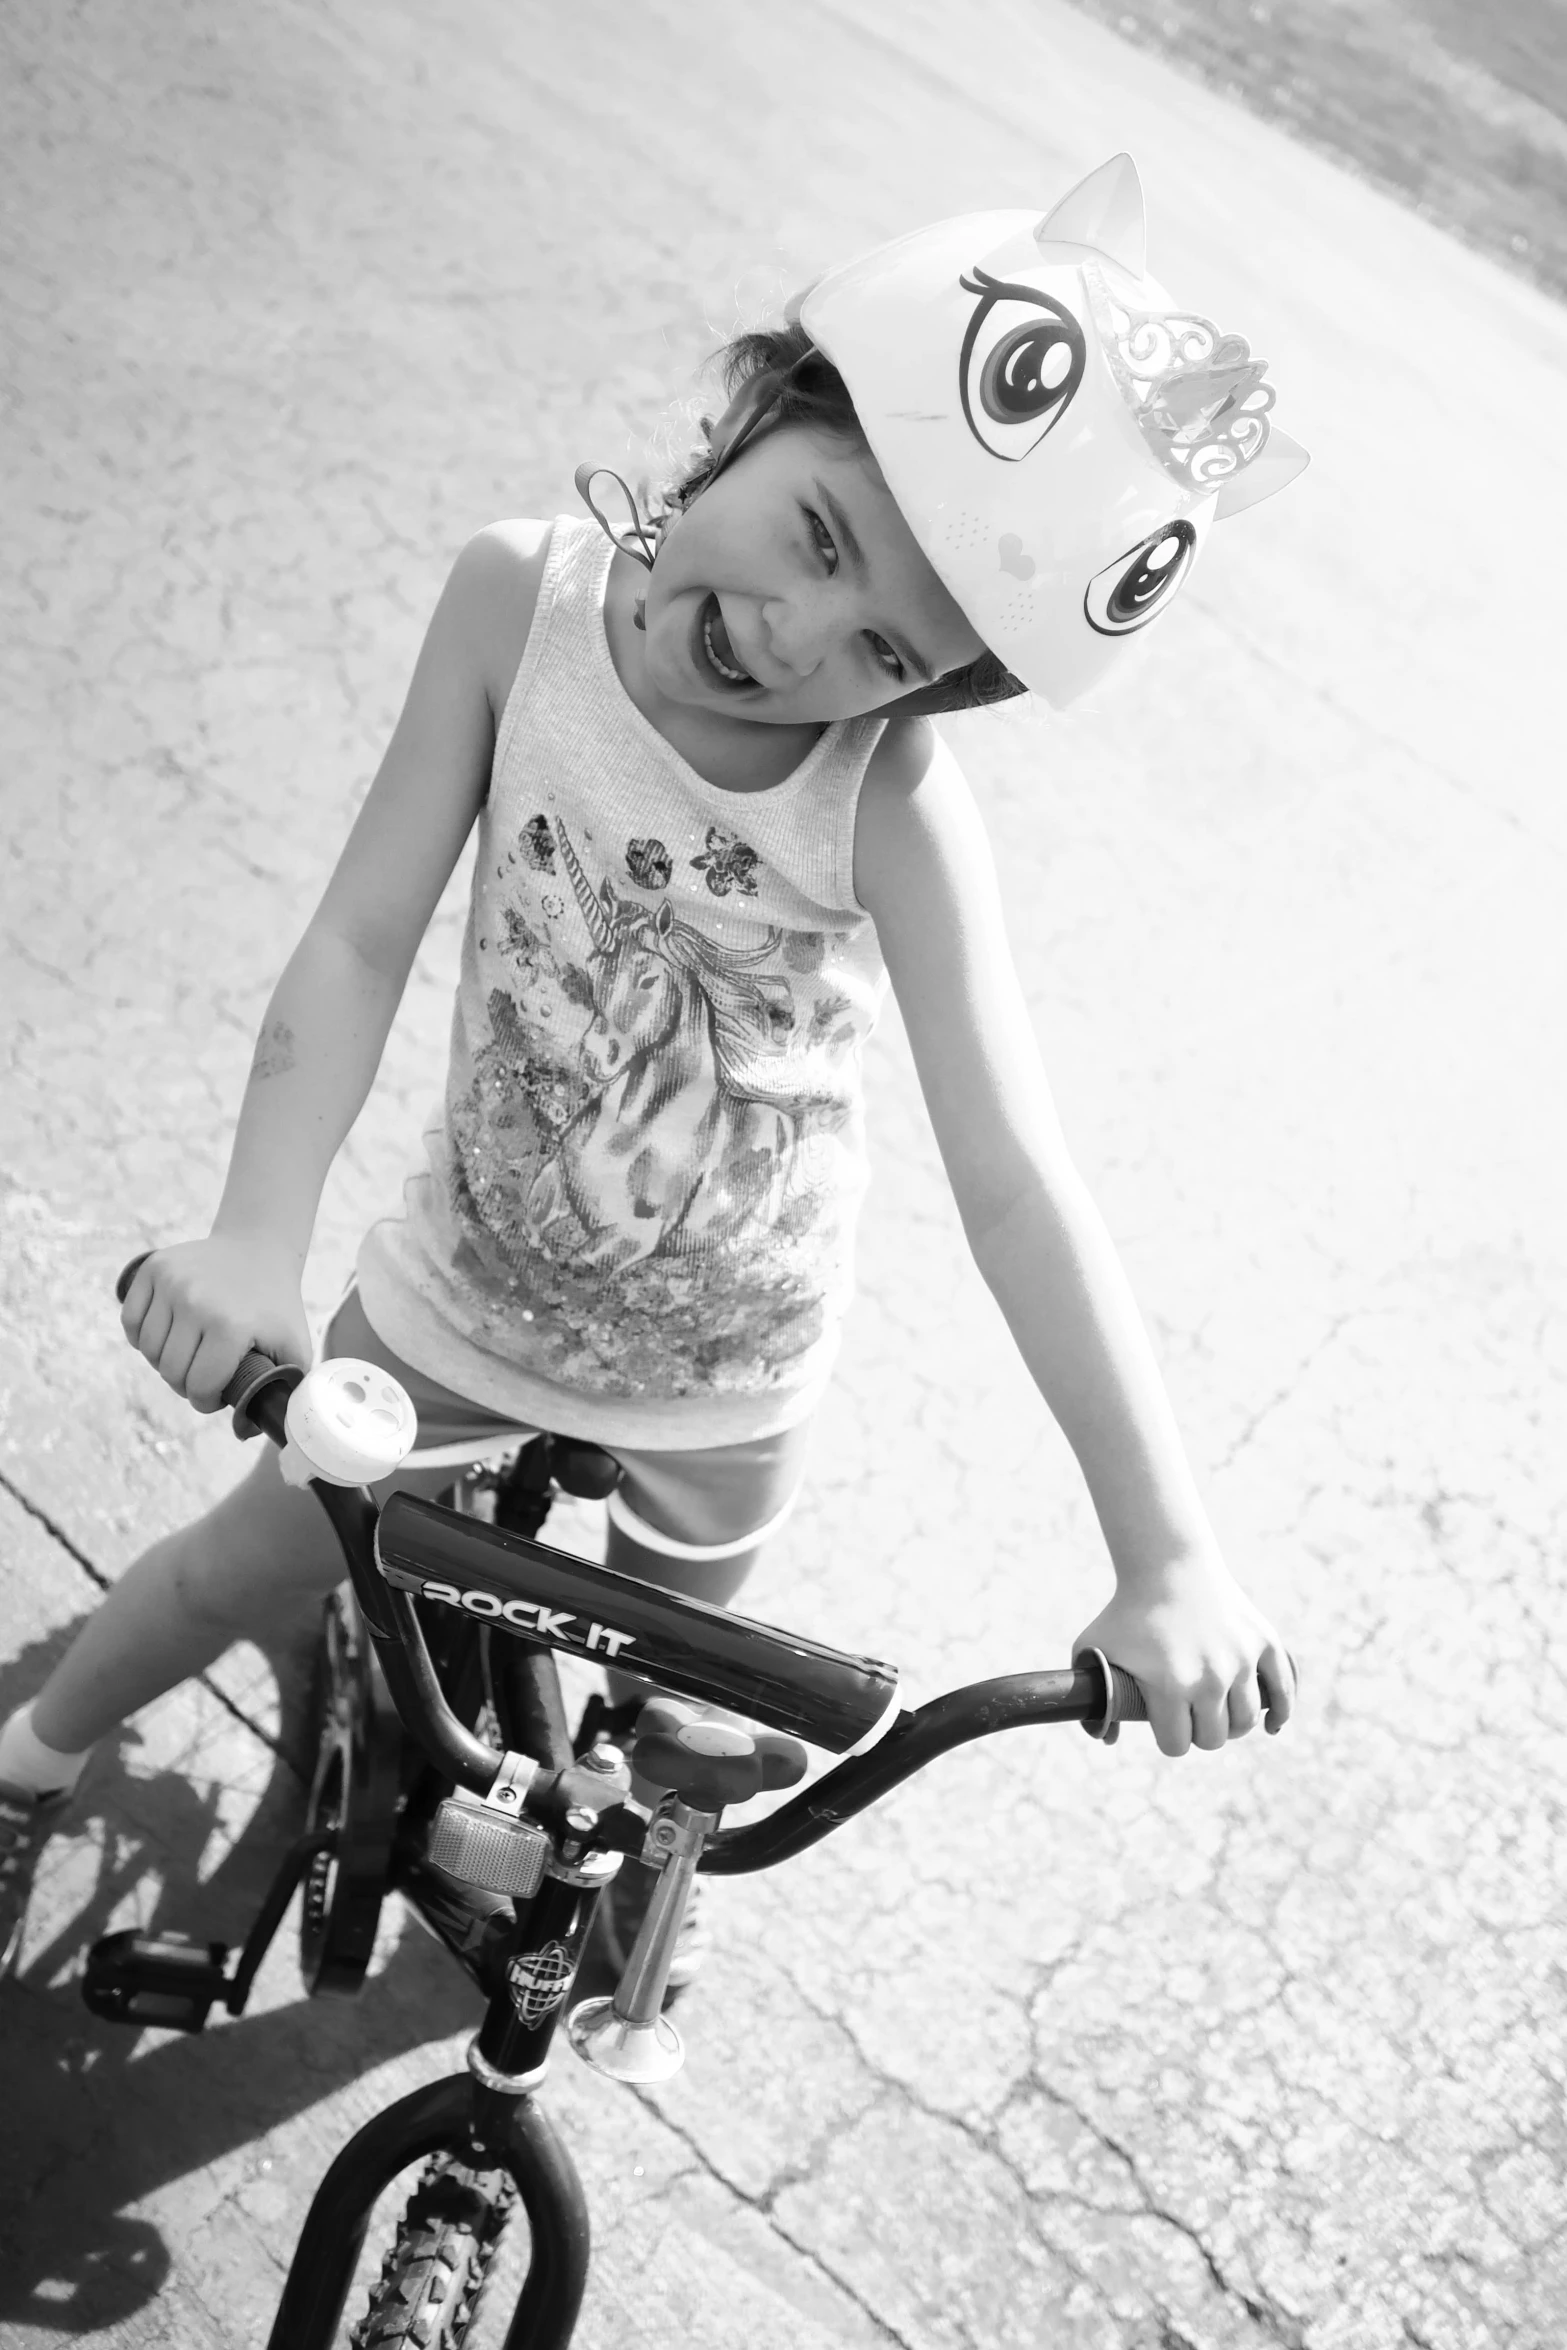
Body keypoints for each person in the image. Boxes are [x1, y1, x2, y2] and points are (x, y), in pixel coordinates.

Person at [1, 155, 1307, 1979]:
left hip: (724, 1385)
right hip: (462, 1293)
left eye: (882, 651)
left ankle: (603, 1874)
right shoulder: (517, 604)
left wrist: (1166, 1547)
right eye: (820, 534)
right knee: (242, 1568)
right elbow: (364, 931)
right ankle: (28, 1758)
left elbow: (1017, 1177)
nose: (795, 635)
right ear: (762, 404)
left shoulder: (896, 809)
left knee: (634, 1776)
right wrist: (255, 1237)